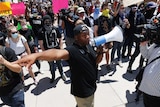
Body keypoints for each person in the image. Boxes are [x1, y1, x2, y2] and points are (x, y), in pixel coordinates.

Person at [15, 24, 103, 107]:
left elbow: (95, 62)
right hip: (83, 91)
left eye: (88, 34)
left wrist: (100, 52)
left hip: (91, 86)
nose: (87, 37)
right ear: (76, 37)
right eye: (84, 35)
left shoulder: (88, 46)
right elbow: (56, 53)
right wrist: (36, 55)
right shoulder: (72, 50)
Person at [38, 15, 66, 83]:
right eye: (46, 21)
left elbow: (60, 39)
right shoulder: (41, 31)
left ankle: (62, 74)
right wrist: (44, 52)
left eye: (49, 21)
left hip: (56, 49)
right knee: (51, 65)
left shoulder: (55, 29)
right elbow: (41, 43)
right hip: (48, 51)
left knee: (59, 63)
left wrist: (61, 48)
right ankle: (53, 76)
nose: (47, 22)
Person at [0, 33, 24, 107]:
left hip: (15, 89)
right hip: (3, 93)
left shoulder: (7, 52)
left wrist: (4, 62)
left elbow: (18, 69)